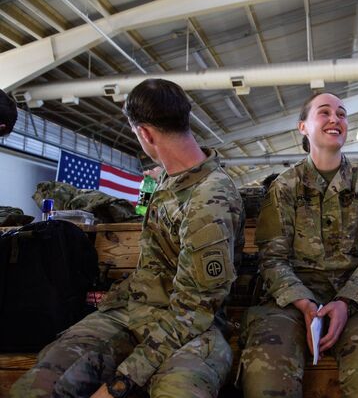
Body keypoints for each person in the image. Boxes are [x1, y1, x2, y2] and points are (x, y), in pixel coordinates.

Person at [10, 78, 245, 398]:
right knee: (41, 383)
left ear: (145, 133)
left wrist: (119, 384)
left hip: (193, 326)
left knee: (178, 390)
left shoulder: (209, 198)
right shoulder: (169, 180)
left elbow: (195, 311)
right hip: (135, 311)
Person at [239, 92, 358, 398]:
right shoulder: (284, 187)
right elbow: (272, 259)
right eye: (324, 112)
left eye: (342, 114)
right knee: (266, 374)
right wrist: (305, 304)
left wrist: (345, 302)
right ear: (303, 127)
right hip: (291, 301)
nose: (335, 119)